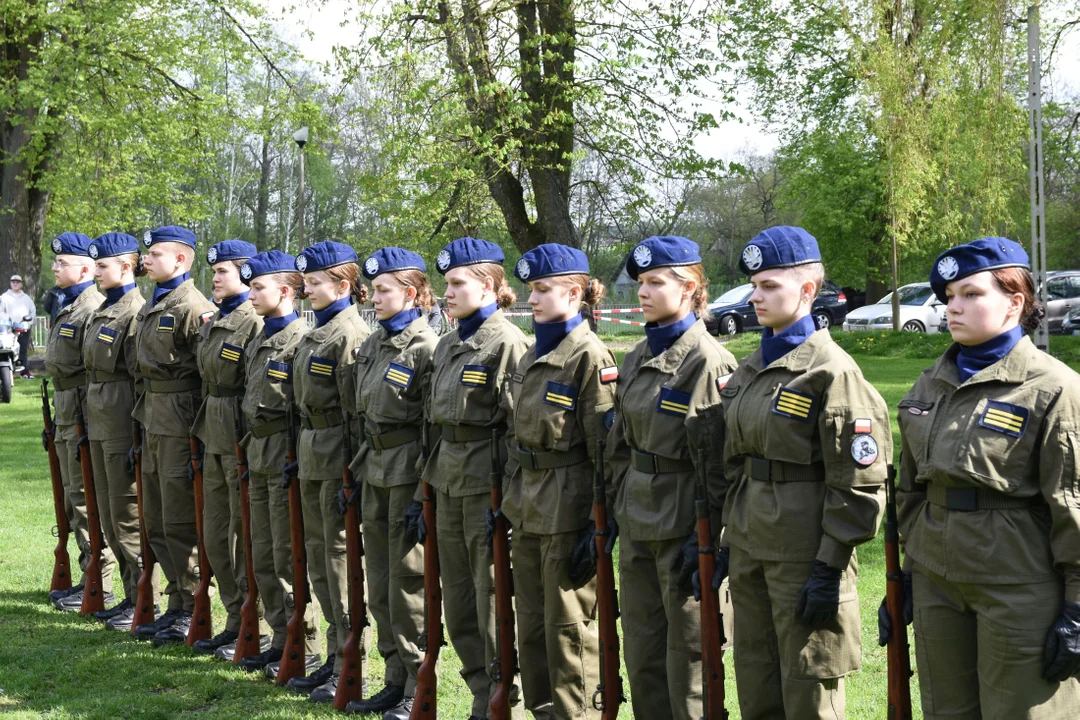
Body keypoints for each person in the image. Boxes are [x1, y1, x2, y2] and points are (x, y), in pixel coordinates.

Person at [884, 237, 1080, 718]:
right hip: (936, 579)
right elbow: (910, 488)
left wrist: (1077, 609)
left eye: (971, 294)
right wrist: (908, 576)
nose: (954, 306)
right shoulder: (929, 383)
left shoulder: (1053, 388)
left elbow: (1072, 503)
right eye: (949, 296)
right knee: (946, 710)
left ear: (1015, 302)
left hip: (1016, 583)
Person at [714, 226, 890, 719]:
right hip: (750, 546)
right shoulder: (750, 369)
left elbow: (860, 481)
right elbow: (738, 464)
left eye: (771, 286)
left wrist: (829, 564)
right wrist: (730, 539)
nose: (756, 296)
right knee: (756, 681)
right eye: (755, 285)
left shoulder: (832, 372)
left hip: (804, 554)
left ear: (807, 290)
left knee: (808, 689)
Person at [603, 236, 737, 719]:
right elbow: (620, 443)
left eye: (656, 282)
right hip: (638, 515)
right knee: (641, 648)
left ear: (690, 288)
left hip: (685, 520)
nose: (643, 291)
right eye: (641, 282)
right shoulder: (637, 354)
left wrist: (711, 534)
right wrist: (618, 507)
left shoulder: (708, 360)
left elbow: (722, 464)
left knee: (689, 656)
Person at [412, 237, 529, 720]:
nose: (447, 293)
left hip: (487, 484)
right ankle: (481, 694)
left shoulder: (506, 344)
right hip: (447, 479)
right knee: (458, 600)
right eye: (446, 284)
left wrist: (511, 500)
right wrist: (425, 488)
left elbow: (520, 429)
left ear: (487, 286)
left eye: (457, 283)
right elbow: (433, 424)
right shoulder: (448, 343)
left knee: (491, 598)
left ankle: (505, 697)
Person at [504, 243, 616, 720]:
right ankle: (546, 712)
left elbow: (605, 452)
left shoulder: (589, 356)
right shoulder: (534, 354)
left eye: (543, 290)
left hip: (568, 509)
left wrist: (598, 524)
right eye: (531, 290)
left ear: (574, 293)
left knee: (568, 628)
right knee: (530, 625)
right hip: (528, 506)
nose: (532, 299)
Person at [343, 248, 438, 720]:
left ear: (412, 293)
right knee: (378, 581)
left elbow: (431, 428)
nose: (374, 297)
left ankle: (417, 684)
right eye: (374, 289)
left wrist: (422, 492)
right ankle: (393, 677)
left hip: (406, 474)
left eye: (384, 290)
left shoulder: (425, 348)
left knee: (407, 584)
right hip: (375, 470)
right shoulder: (375, 345)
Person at [289, 240, 371, 702]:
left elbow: (355, 414)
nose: (307, 289)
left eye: (316, 282)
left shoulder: (349, 335)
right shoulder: (315, 331)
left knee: (339, 563)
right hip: (312, 452)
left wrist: (353, 472)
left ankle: (350, 660)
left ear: (342, 285)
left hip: (337, 455)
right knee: (319, 559)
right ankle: (333, 660)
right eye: (306, 282)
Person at [234, 251, 323, 672]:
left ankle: (303, 644)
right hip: (258, 452)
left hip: (285, 454)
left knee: (288, 557)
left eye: (257, 288)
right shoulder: (261, 337)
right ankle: (277, 637)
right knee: (263, 553)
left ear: (285, 292)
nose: (250, 294)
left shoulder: (299, 341)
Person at [130, 225, 216, 645]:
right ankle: (176, 600)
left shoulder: (193, 307)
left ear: (181, 260)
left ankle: (191, 604)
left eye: (156, 254)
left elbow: (206, 376)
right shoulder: (156, 302)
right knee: (157, 518)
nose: (146, 259)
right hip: (152, 416)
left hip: (180, 419)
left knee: (181, 518)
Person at [190, 240, 265, 656]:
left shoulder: (253, 321)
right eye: (214, 272)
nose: (215, 278)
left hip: (239, 431)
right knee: (216, 533)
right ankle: (233, 615)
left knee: (243, 533)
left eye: (223, 271)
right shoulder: (213, 319)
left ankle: (251, 623)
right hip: (213, 429)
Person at [44, 233, 116, 611]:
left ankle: (99, 584)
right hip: (65, 404)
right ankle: (87, 577)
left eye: (62, 263)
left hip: (83, 407)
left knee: (86, 498)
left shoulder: (91, 307)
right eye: (55, 262)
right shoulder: (68, 303)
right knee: (73, 496)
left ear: (85, 268)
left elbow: (94, 369)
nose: (55, 268)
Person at [81, 233, 148, 631]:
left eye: (103, 265)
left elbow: (139, 380)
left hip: (122, 423)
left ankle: (143, 597)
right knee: (108, 513)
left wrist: (136, 435)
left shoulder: (133, 312)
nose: (96, 271)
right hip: (100, 421)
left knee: (126, 515)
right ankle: (128, 596)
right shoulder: (104, 309)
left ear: (125, 267)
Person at [2, 273, 36, 377]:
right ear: (10, 284)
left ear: (21, 284)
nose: (15, 284)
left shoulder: (26, 298)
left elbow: (33, 312)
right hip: (8, 329)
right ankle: (6, 373)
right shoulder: (4, 297)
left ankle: (24, 372)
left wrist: (28, 324)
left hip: (23, 329)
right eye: (13, 282)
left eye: (17, 282)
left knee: (22, 351)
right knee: (6, 349)